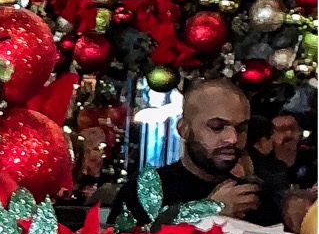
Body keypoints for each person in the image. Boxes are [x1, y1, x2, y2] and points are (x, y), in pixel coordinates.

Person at [117, 77, 272, 223]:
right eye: (217, 127)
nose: (233, 138)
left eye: (241, 128)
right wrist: (208, 212)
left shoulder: (253, 199)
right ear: (184, 129)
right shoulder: (142, 192)